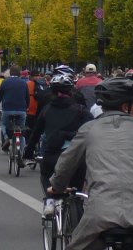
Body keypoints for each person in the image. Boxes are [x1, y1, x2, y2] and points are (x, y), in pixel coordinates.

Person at [48, 77, 133, 250]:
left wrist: (57, 186)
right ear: (125, 107)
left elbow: (67, 163)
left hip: (99, 212)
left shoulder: (89, 128)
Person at [24, 73, 91, 216]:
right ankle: (78, 202)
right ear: (71, 91)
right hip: (76, 157)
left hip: (52, 155)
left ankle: (49, 201)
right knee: (77, 187)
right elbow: (92, 131)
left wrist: (28, 152)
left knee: (46, 174)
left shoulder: (46, 110)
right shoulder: (80, 110)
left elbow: (36, 134)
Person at [0, 65, 30, 153]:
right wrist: (26, 107)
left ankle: (6, 138)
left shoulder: (5, 82)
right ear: (19, 73)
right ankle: (21, 154)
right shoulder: (23, 83)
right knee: (21, 131)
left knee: (3, 124)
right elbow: (27, 97)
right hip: (21, 110)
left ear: (10, 73)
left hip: (7, 109)